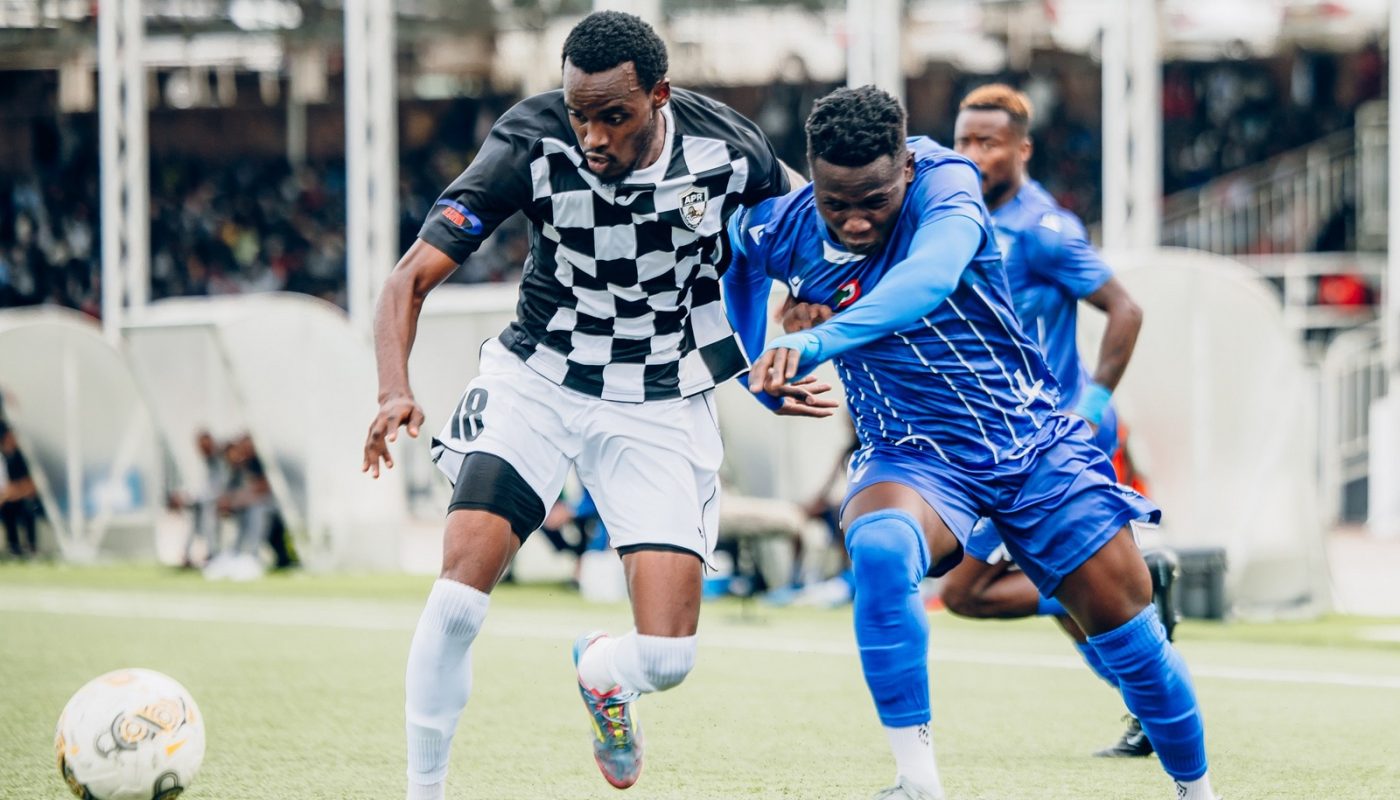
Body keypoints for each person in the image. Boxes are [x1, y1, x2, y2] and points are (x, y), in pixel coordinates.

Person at [359, 12, 831, 799]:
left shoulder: (727, 147)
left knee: (669, 659)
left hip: (658, 394)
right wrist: (393, 390)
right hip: (538, 378)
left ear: (659, 95)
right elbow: (407, 279)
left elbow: (807, 230)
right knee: (458, 598)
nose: (592, 137)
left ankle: (604, 675)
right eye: (580, 114)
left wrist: (800, 316)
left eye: (614, 116)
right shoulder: (530, 140)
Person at [723, 85, 1218, 800]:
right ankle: (917, 781)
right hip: (911, 454)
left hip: (1029, 440)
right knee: (881, 547)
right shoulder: (782, 228)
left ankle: (1198, 791)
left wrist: (810, 342)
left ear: (904, 168)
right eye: (837, 204)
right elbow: (736, 262)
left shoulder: (948, 182)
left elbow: (928, 280)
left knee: (1129, 634)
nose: (856, 221)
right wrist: (753, 371)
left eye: (874, 201)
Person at [933, 82, 1176, 757]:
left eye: (988, 142)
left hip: (1052, 441)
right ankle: (1149, 711)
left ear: (1022, 150)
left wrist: (1091, 406)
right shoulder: (954, 216)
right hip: (993, 439)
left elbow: (1126, 309)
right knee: (1063, 599)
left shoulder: (1044, 231)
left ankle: (1135, 634)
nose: (972, 154)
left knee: (965, 593)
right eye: (963, 141)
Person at [0, 419, 39, 559]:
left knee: (28, 505)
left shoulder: (23, 457)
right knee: (7, 508)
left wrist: (15, 490)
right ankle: (14, 547)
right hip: (7, 500)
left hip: (21, 498)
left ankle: (31, 546)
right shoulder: (3, 458)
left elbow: (33, 484)